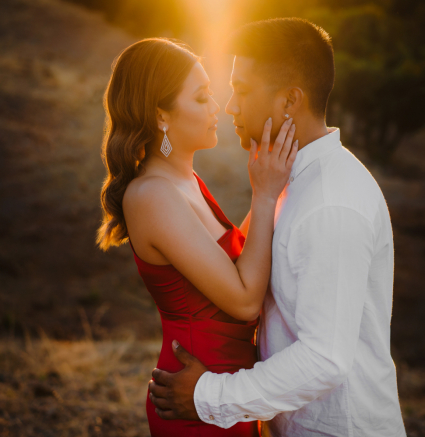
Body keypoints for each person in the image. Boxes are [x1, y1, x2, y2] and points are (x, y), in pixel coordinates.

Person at [148, 18, 407, 436]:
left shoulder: (330, 202)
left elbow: (325, 358)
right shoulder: (288, 182)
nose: (230, 105)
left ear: (290, 101)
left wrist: (208, 396)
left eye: (243, 90)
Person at [95, 37, 299, 437]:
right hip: (196, 398)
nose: (218, 107)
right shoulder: (152, 194)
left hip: (225, 390)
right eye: (203, 97)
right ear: (161, 116)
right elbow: (243, 300)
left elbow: (233, 260)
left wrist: (278, 187)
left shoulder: (186, 181)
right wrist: (264, 195)